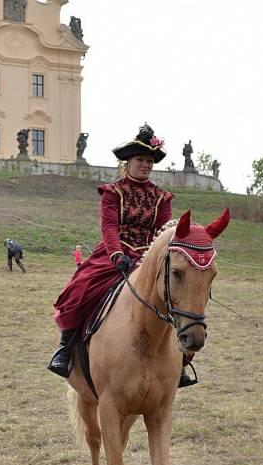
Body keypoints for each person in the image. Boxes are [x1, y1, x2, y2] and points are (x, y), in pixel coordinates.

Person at [49, 124, 194, 387]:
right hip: (115, 253)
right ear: (128, 162)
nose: (146, 165)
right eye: (141, 160)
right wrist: (116, 254)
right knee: (79, 289)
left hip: (150, 258)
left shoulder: (162, 198)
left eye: (150, 161)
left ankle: (181, 360)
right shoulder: (113, 192)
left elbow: (163, 232)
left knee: (176, 296)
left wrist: (152, 258)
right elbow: (109, 227)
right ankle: (65, 349)